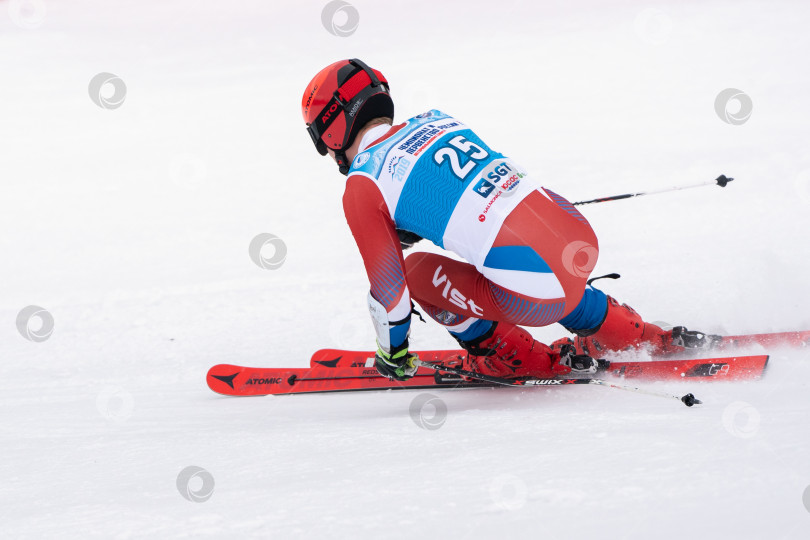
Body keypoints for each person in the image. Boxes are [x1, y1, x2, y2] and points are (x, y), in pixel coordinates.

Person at [301, 58, 711, 381]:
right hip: (578, 242)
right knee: (525, 251)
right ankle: (630, 333)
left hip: (535, 293)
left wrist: (393, 355)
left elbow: (391, 294)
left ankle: (511, 358)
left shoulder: (362, 184)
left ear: (332, 131)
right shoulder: (437, 119)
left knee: (417, 271)